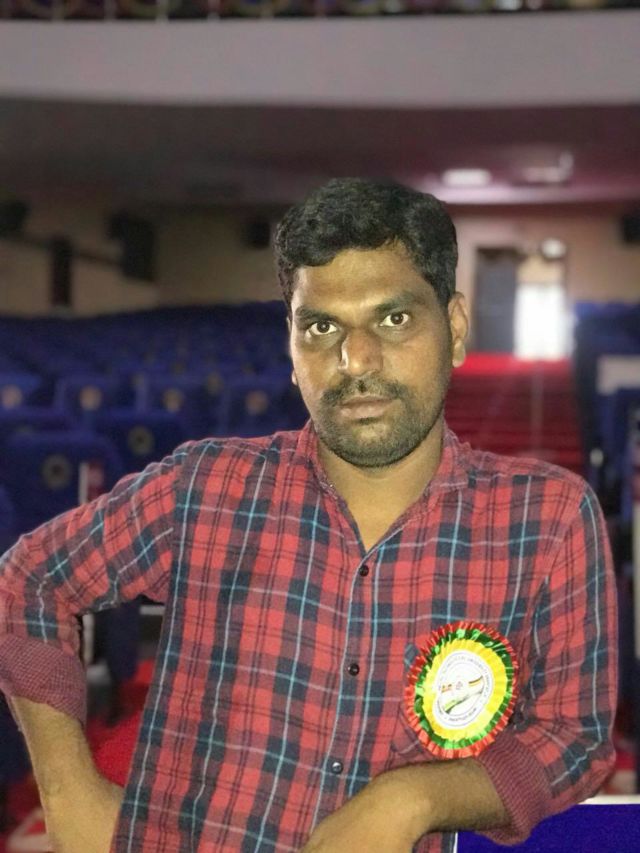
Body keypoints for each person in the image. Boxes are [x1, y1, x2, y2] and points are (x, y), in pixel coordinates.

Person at [0, 178, 617, 853]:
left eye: (394, 319)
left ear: (456, 330)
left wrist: (416, 798)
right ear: (292, 351)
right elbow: (29, 578)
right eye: (322, 327)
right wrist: (69, 793)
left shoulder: (548, 518)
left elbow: (575, 738)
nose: (356, 360)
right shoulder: (203, 486)